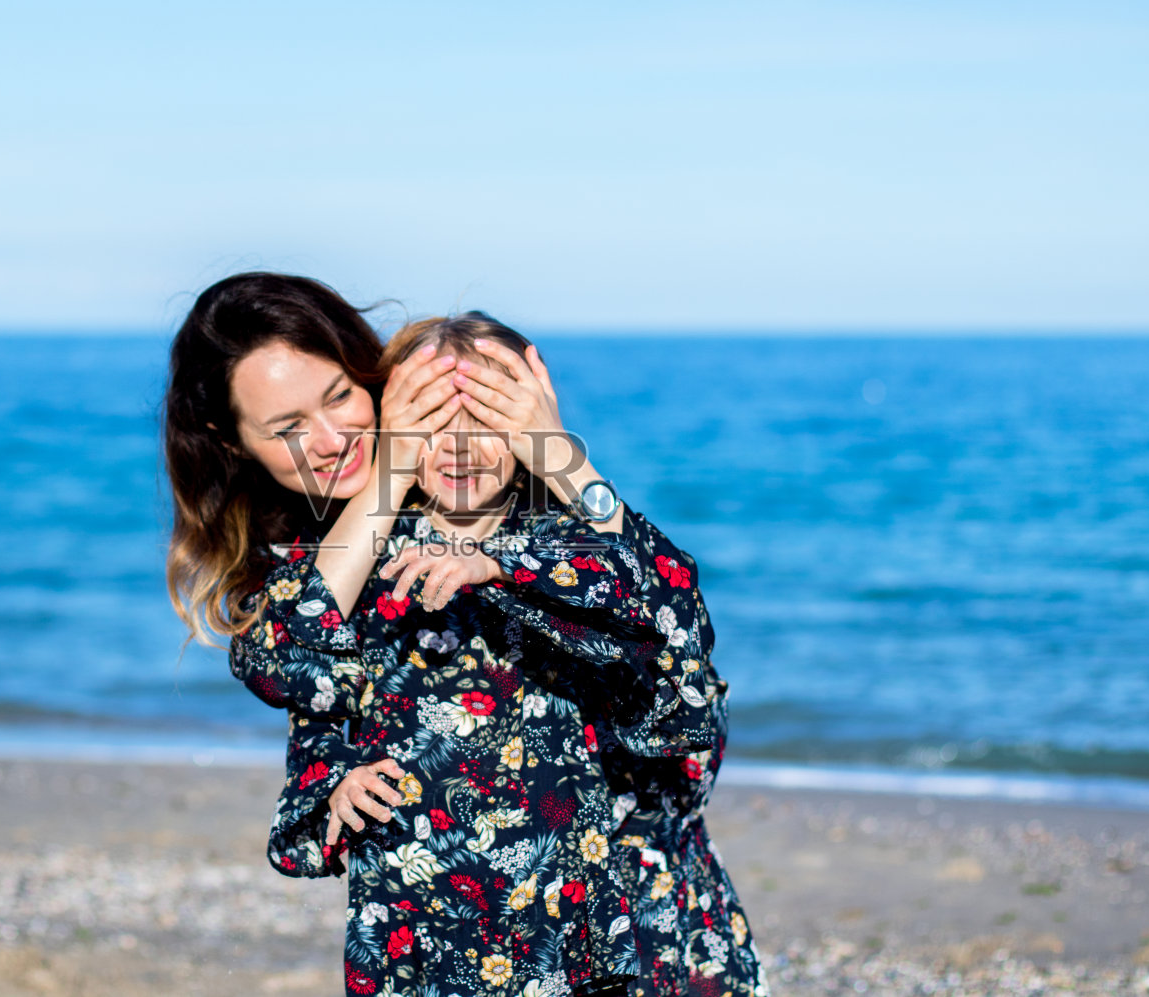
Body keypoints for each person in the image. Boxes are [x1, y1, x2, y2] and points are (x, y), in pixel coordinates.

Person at [163, 278, 763, 995]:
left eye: (338, 397)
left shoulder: (579, 551)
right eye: (288, 425)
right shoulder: (348, 571)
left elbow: (679, 623)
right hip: (446, 946)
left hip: (630, 933)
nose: (330, 438)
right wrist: (335, 794)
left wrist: (554, 464)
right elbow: (281, 662)